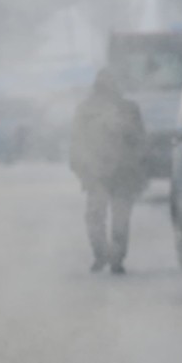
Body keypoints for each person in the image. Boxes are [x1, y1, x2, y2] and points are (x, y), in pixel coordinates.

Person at [69, 66, 149, 274]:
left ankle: (115, 257)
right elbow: (76, 142)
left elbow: (140, 140)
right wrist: (81, 168)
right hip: (97, 173)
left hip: (123, 172)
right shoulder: (86, 110)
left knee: (117, 219)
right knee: (98, 218)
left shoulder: (128, 109)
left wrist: (138, 165)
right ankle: (104, 255)